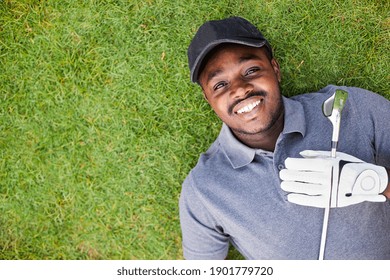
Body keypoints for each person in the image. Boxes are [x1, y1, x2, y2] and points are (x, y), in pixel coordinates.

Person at [179, 16, 390, 260]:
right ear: (208, 99)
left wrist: (375, 182)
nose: (239, 89)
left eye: (251, 70)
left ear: (275, 70)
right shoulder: (204, 188)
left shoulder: (351, 109)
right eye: (220, 85)